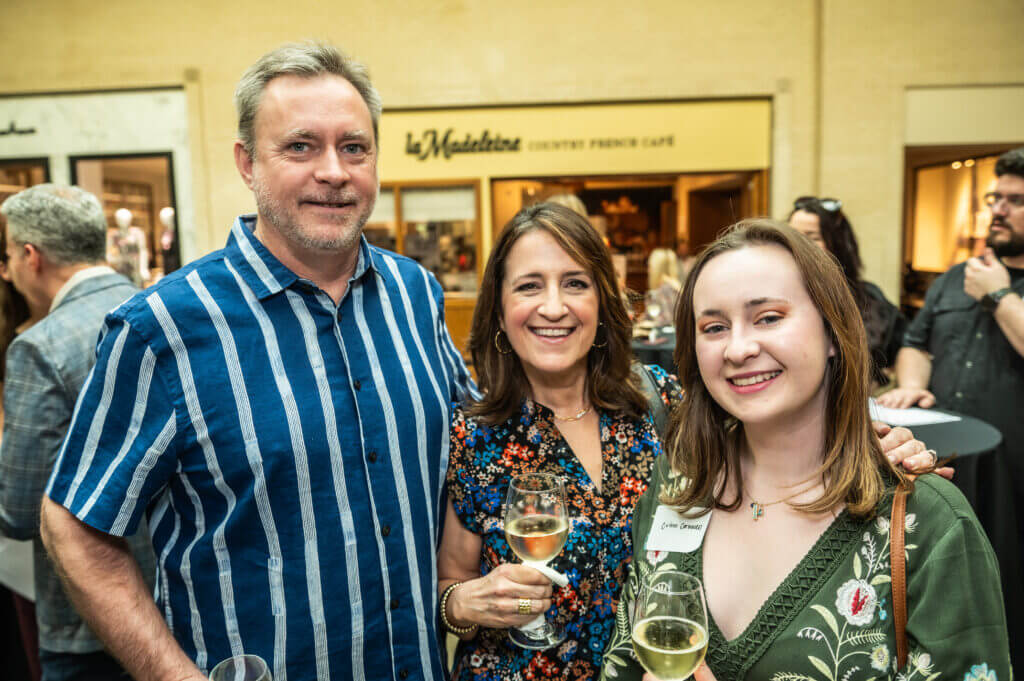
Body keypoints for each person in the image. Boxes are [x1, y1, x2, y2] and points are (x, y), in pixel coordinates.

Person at [39, 41, 473, 681]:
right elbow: (72, 525)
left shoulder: (415, 294)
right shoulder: (164, 328)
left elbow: (472, 448)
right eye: (300, 147)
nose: (333, 171)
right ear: (247, 163)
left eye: (354, 147)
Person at [437, 205, 931, 681]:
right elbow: (451, 582)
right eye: (529, 286)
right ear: (499, 311)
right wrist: (464, 604)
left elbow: (784, 444)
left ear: (602, 303)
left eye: (575, 283)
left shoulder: (664, 403)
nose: (554, 306)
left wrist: (868, 452)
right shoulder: (473, 436)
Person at [603, 219, 1010, 680]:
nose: (738, 348)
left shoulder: (928, 525)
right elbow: (624, 661)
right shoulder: (678, 485)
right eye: (714, 327)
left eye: (769, 317)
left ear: (832, 332)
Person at [0, 184, 156, 681]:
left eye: (6, 255)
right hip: (181, 597)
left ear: (30, 256)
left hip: (91, 621)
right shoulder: (165, 311)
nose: (5, 271)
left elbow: (19, 511)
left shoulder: (40, 348)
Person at [877, 146, 1024, 660]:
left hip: (1013, 473)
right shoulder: (955, 276)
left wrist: (999, 297)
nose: (999, 210)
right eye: (995, 198)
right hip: (945, 464)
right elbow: (915, 343)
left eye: (1016, 200)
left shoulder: (993, 286)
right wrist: (912, 384)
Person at [789, 196, 906, 388]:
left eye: (812, 237)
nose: (799, 244)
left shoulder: (869, 297)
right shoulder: (771, 296)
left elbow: (905, 348)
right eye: (793, 235)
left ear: (838, 243)